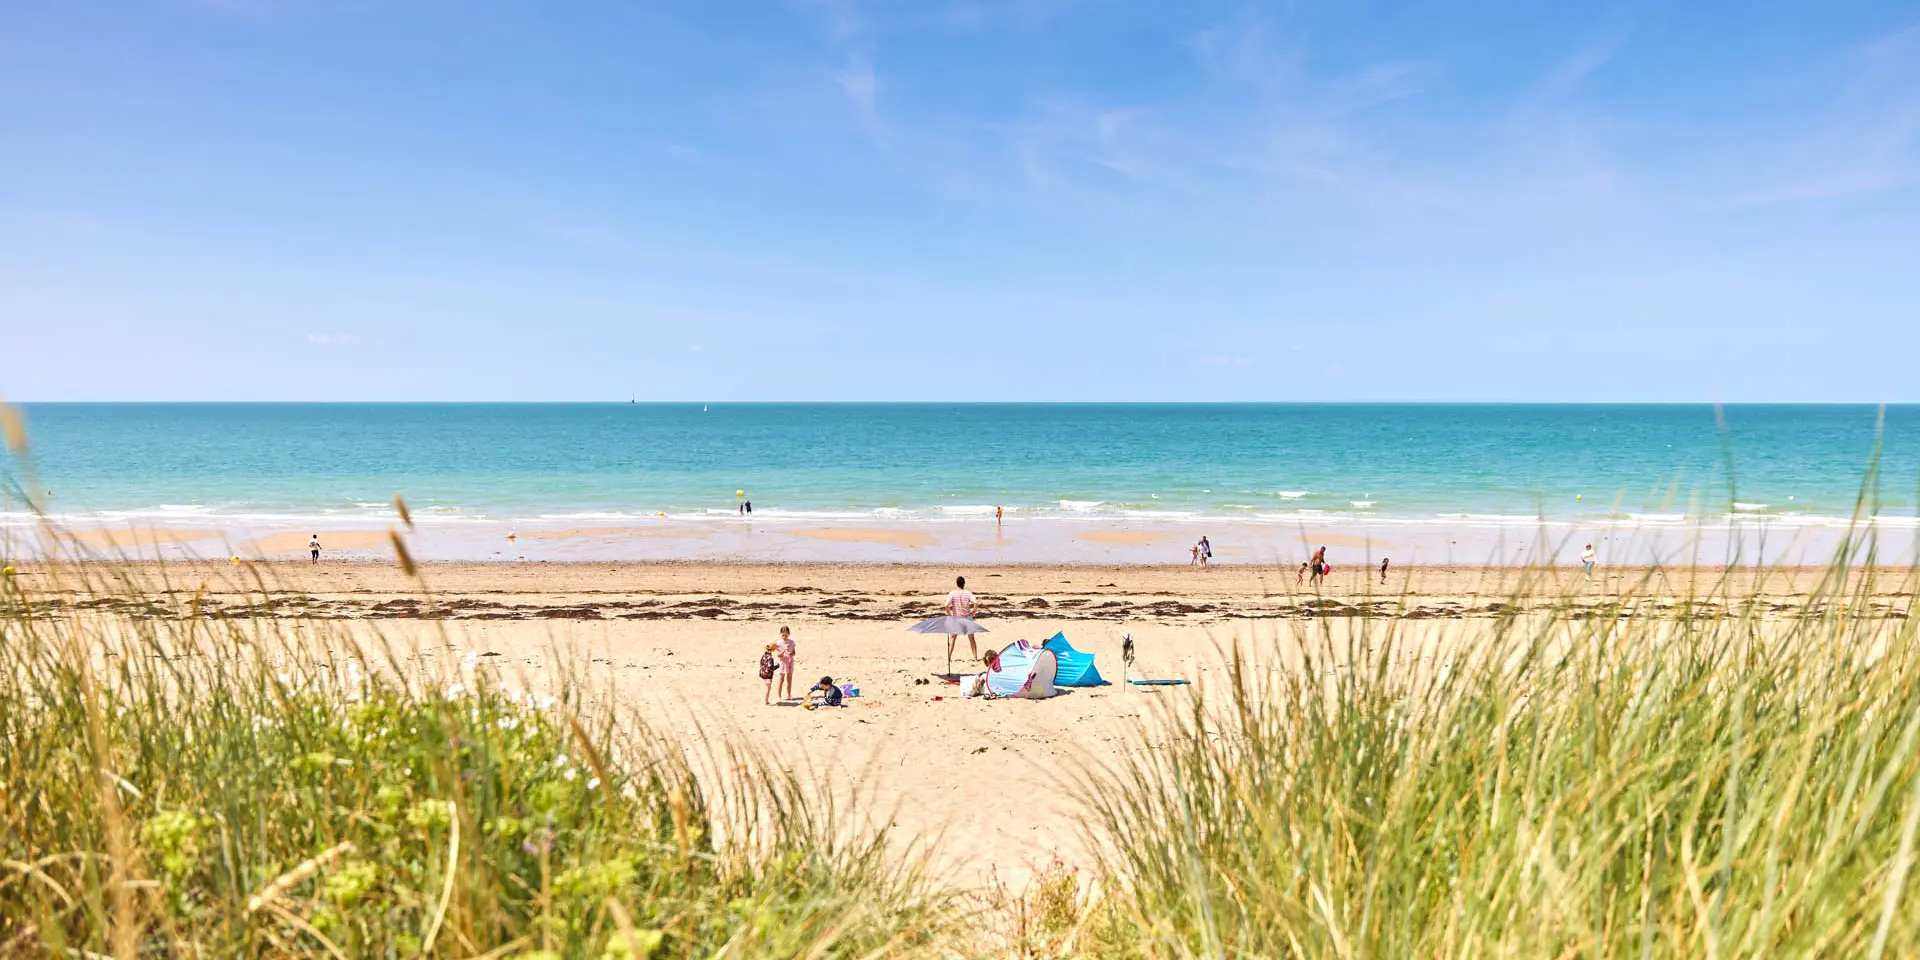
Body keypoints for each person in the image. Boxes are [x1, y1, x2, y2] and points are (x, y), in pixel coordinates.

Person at [946, 576, 979, 666]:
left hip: (956, 619)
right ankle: (975, 658)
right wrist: (973, 611)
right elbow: (976, 602)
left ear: (957, 583)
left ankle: (949, 657)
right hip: (967, 618)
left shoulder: (952, 593)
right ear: (964, 583)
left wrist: (950, 615)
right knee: (971, 639)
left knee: (952, 638)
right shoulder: (968, 593)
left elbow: (946, 606)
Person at [776, 626, 797, 701]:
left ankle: (789, 694)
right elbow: (778, 655)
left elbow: (794, 652)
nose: (784, 637)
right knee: (781, 679)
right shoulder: (778, 643)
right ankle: (779, 696)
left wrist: (791, 653)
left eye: (786, 635)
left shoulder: (791, 642)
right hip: (783, 662)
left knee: (789, 678)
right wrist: (784, 650)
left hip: (790, 661)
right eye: (783, 635)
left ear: (789, 634)